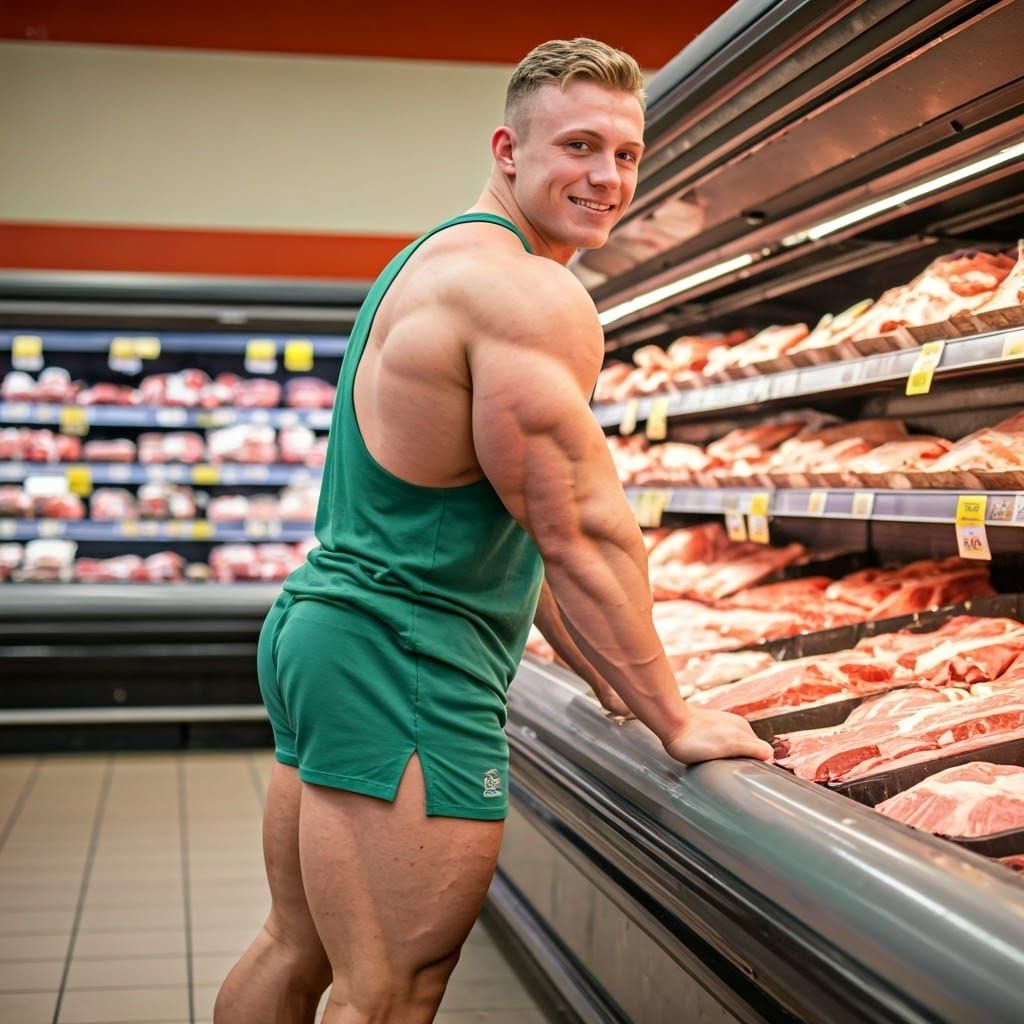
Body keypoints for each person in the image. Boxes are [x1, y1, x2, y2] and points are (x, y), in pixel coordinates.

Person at [214, 37, 773, 1024]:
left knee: (293, 948)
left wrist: (610, 675)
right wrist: (674, 716)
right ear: (507, 148)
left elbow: (513, 518)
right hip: (406, 661)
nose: (606, 177)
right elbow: (578, 530)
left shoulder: (431, 256)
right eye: (578, 146)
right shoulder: (530, 291)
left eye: (627, 155)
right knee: (390, 990)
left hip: (330, 633)